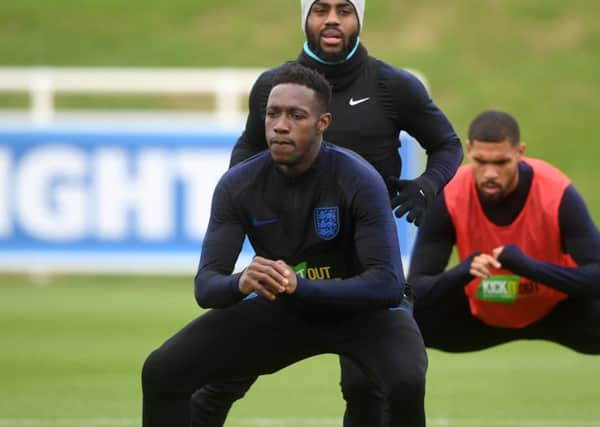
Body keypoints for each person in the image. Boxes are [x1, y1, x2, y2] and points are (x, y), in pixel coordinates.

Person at [191, 0, 463, 425]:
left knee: (368, 386)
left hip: (364, 264)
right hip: (289, 256)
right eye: (320, 10)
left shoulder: (393, 85)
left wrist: (427, 185)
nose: (332, 19)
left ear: (359, 19)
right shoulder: (274, 87)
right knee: (219, 379)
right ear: (305, 18)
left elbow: (447, 143)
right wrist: (239, 192)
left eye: (344, 10)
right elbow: (248, 147)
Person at [142, 64, 428, 427]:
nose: (280, 125)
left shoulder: (358, 179)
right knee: (161, 371)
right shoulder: (238, 185)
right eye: (273, 114)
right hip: (287, 307)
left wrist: (300, 285)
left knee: (406, 381)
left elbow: (387, 285)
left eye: (296, 115)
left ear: (323, 123)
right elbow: (206, 286)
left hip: (365, 312)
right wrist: (239, 282)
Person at [409, 110, 600, 353]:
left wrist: (527, 266)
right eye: (481, 161)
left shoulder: (556, 192)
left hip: (557, 310)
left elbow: (596, 276)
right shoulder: (449, 194)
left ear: (519, 153)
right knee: (395, 321)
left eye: (501, 162)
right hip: (480, 312)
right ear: (468, 151)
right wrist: (463, 271)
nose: (490, 173)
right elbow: (415, 289)